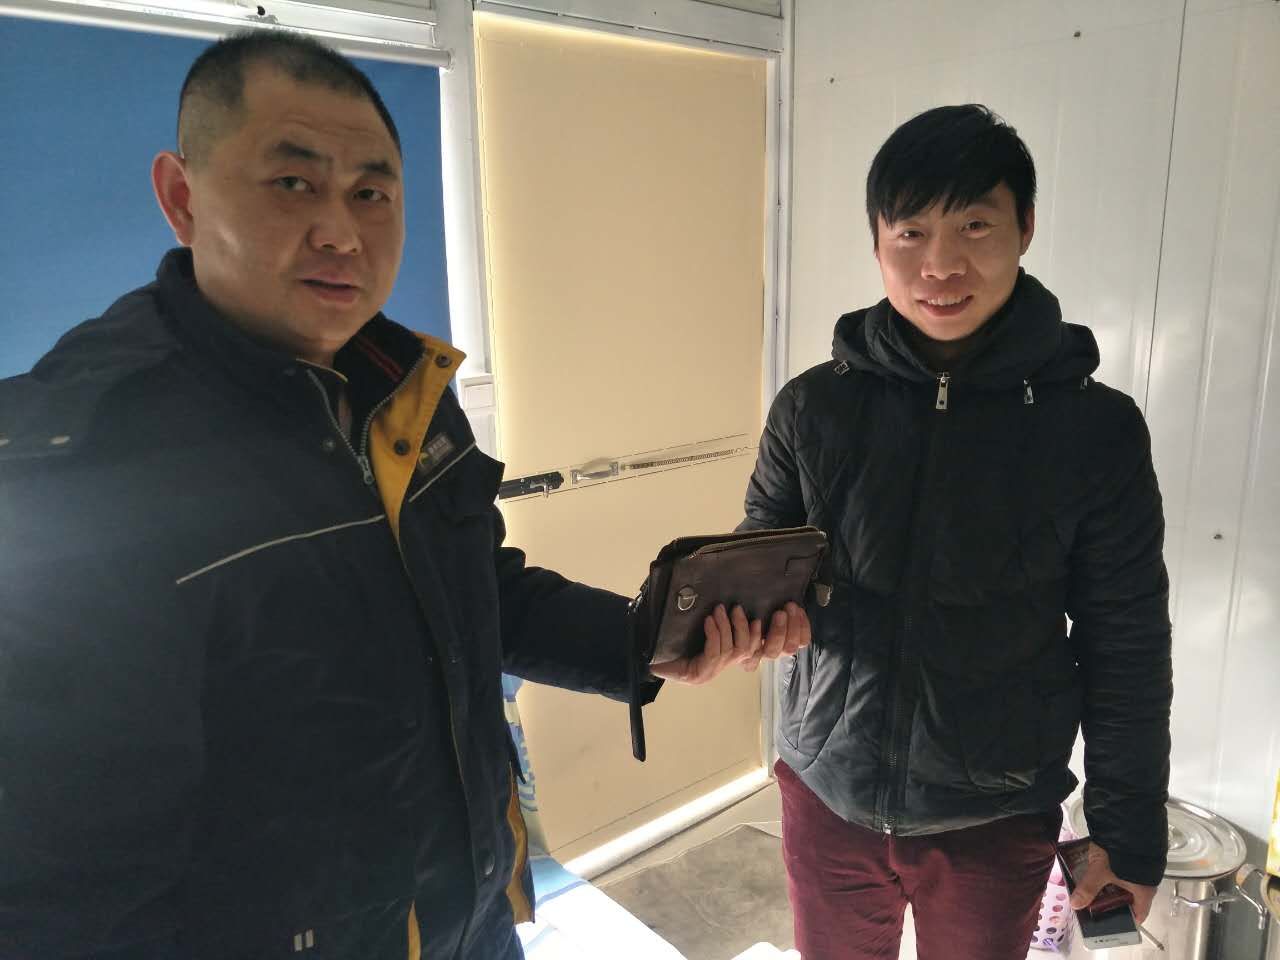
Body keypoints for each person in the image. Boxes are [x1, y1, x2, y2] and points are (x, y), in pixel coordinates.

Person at [0, 32, 810, 960]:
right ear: (182, 197)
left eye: (371, 193)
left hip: (469, 918)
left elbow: (478, 593)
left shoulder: (401, 387)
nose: (341, 232)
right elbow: (62, 879)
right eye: (293, 183)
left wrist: (646, 643)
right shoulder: (79, 464)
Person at [739, 104, 1172, 959]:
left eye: (975, 226)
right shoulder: (812, 407)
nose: (940, 265)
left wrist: (1126, 832)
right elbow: (764, 555)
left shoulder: (1095, 430)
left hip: (994, 818)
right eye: (911, 232)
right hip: (826, 796)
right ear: (876, 239)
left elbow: (1125, 643)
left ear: (1025, 228)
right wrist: (742, 616)